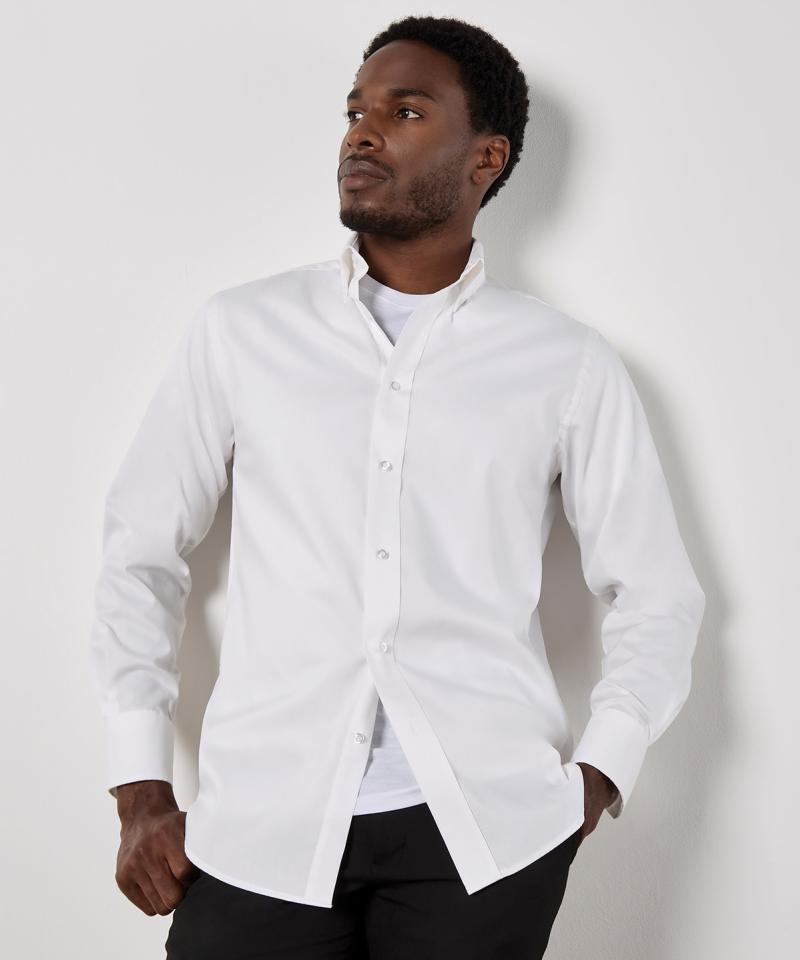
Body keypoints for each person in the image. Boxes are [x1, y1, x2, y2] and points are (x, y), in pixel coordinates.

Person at [89, 14, 706, 960]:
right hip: (264, 826)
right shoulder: (241, 331)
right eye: (355, 111)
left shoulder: (565, 364)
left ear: (487, 157)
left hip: (485, 836)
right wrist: (140, 786)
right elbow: (139, 552)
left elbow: (657, 593)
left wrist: (597, 776)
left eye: (405, 111)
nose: (362, 134)